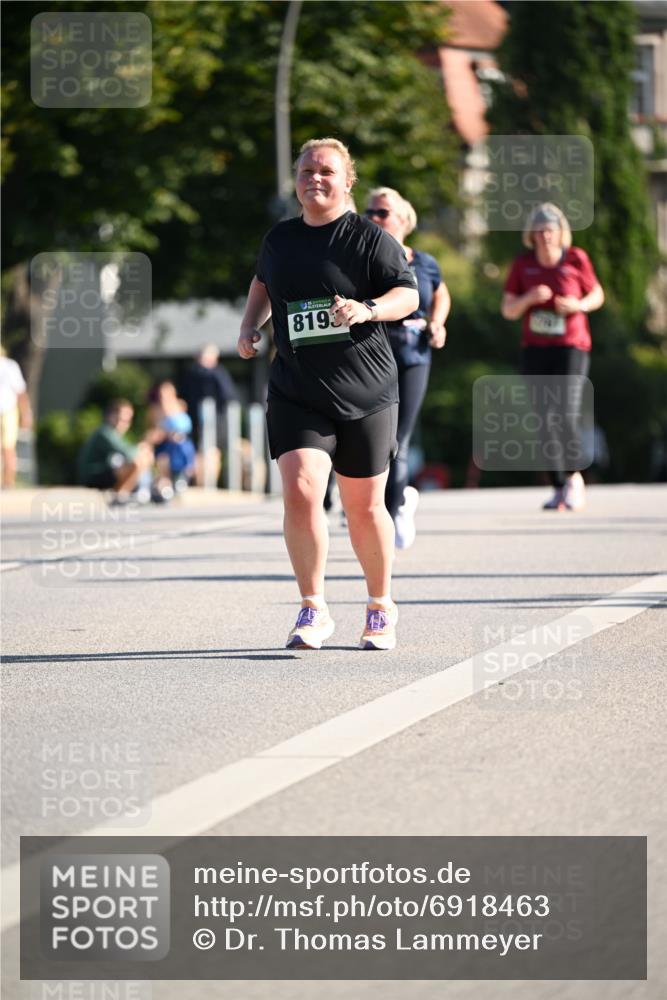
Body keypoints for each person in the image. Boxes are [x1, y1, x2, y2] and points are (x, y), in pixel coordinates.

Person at [238, 137, 418, 650]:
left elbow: (407, 294)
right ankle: (312, 606)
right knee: (300, 490)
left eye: (326, 171)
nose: (314, 179)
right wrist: (250, 325)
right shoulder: (280, 239)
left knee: (364, 507)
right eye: (306, 171)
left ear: (347, 181)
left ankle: (380, 605)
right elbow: (263, 284)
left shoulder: (369, 238)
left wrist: (368, 309)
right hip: (297, 388)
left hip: (366, 391)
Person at [501, 203, 604, 511]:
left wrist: (578, 305)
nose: (545, 235)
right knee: (544, 418)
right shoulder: (523, 264)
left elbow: (597, 294)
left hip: (572, 345)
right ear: (531, 235)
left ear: (560, 233)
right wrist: (529, 298)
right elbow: (508, 310)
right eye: (540, 230)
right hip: (535, 348)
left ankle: (574, 478)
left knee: (565, 412)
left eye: (550, 230)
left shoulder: (576, 258)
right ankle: (558, 486)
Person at [365, 187, 450, 548]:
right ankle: (382, 504)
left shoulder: (425, 262)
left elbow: (441, 293)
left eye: (382, 213)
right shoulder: (364, 258)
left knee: (398, 439)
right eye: (369, 212)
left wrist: (438, 323)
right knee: (372, 437)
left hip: (414, 354)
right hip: (372, 355)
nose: (374, 218)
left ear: (403, 219)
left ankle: (393, 509)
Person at [180, 345, 237, 486]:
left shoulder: (218, 373)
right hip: (195, 421)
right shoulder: (193, 373)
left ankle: (209, 484)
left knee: (212, 452)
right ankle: (200, 484)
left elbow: (228, 396)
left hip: (215, 421)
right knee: (198, 452)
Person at [78, 399, 154, 503]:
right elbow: (129, 454)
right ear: (110, 416)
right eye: (119, 418)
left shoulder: (114, 435)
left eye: (127, 421)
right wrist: (142, 447)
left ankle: (140, 490)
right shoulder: (104, 432)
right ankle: (120, 495)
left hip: (105, 472)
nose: (122, 424)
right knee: (137, 463)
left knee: (142, 460)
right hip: (93, 475)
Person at [0, 347, 33, 488]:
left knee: (8, 447)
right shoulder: (10, 365)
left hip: (7, 410)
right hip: (8, 410)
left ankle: (8, 482)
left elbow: (20, 392)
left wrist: (26, 413)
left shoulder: (10, 366)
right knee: (8, 448)